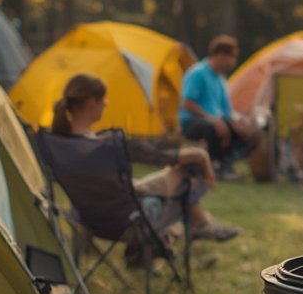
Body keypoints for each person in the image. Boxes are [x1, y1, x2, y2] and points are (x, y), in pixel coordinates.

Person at [51, 74, 240, 249]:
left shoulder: (56, 145)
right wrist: (204, 161)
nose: (106, 104)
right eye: (104, 100)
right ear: (92, 102)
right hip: (132, 222)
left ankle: (193, 227)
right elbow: (163, 156)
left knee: (166, 180)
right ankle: (197, 225)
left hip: (89, 218)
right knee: (189, 172)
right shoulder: (110, 143)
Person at [179, 35, 260, 182]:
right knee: (212, 127)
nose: (234, 61)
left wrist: (240, 122)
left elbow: (226, 111)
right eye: (232, 57)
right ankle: (216, 165)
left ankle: (225, 165)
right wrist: (212, 119)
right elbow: (187, 103)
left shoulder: (220, 79)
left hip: (216, 121)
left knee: (249, 132)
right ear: (221, 55)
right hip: (193, 121)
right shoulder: (197, 73)